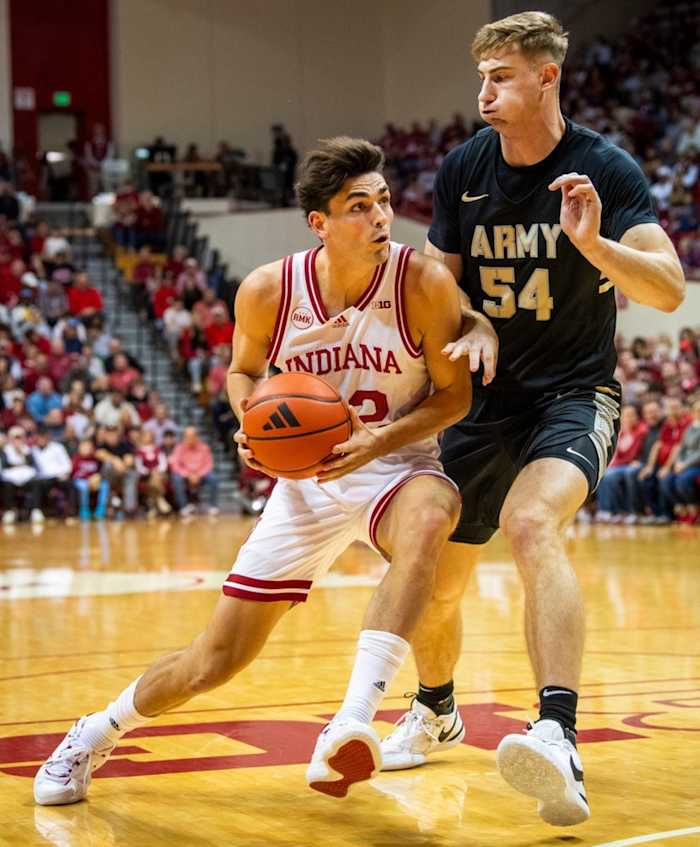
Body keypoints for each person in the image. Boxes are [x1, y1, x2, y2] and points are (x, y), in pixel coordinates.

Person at [33, 136, 470, 806]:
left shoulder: (423, 283)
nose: (381, 217)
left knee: (434, 513)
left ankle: (353, 719)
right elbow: (241, 371)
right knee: (214, 660)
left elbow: (455, 396)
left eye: (383, 201)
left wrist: (380, 440)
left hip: (394, 464)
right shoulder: (270, 290)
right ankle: (95, 731)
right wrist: (250, 422)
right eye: (359, 206)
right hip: (306, 486)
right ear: (319, 222)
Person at [381, 11, 684, 828]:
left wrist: (596, 247)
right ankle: (435, 704)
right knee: (436, 574)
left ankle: (557, 730)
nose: (484, 92)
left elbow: (667, 290)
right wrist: (470, 323)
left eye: (501, 76)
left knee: (530, 520)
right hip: (483, 399)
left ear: (547, 77)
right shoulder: (463, 167)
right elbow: (439, 290)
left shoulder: (604, 168)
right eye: (480, 76)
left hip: (573, 394)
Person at [168, 425, 219, 516]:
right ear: (184, 437)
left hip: (201, 475)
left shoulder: (204, 447)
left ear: (197, 437)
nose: (190, 439)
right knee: (176, 478)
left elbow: (209, 464)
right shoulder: (179, 448)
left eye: (192, 436)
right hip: (185, 476)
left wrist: (198, 475)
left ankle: (213, 506)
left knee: (213, 478)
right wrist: (188, 475)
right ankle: (184, 507)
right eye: (187, 436)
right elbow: (175, 464)